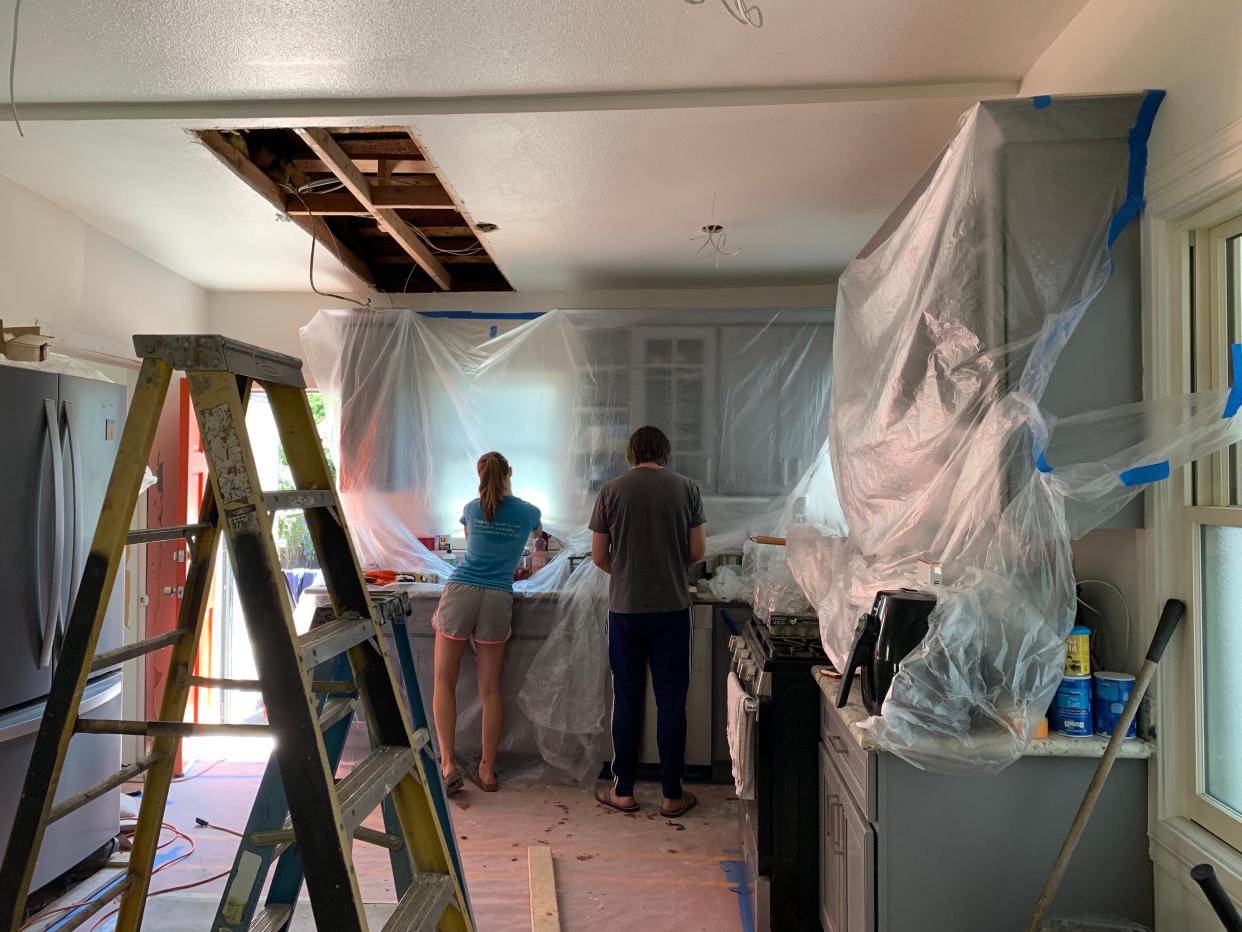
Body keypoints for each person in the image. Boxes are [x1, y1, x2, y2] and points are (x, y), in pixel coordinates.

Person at [589, 426, 706, 816]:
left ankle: (623, 790)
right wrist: (669, 568)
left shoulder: (611, 490)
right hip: (672, 610)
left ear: (631, 452)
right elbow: (697, 551)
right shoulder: (686, 488)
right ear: (665, 452)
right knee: (672, 702)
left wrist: (625, 575)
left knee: (627, 698)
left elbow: (599, 556)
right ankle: (672, 794)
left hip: (625, 612)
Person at [432, 451, 542, 795]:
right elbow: (537, 537)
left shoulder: (471, 508)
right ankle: (488, 771)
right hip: (497, 597)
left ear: (479, 475)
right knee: (491, 690)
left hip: (462, 590)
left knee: (443, 681)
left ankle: (448, 764)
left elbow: (475, 539)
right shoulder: (529, 512)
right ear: (511, 471)